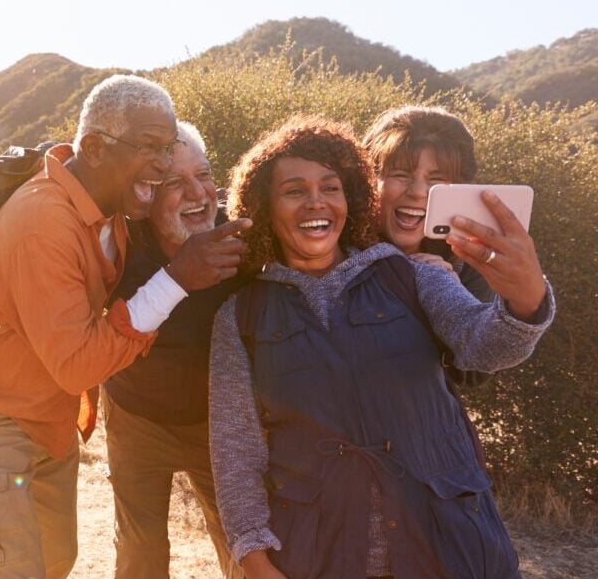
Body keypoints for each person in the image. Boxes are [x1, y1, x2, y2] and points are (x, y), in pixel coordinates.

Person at [0, 75, 252, 578]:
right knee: (10, 569)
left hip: (45, 414)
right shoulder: (43, 221)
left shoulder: (110, 211)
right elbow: (78, 365)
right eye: (151, 148)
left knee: (54, 561)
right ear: (94, 147)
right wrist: (178, 277)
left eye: (168, 148)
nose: (163, 165)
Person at [208, 117, 554, 578]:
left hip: (446, 544)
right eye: (294, 191)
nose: (316, 201)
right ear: (265, 207)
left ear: (350, 199)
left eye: (330, 187)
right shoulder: (240, 316)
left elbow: (483, 346)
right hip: (321, 552)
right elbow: (236, 454)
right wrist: (253, 557)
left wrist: (526, 298)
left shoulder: (414, 274)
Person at [102, 121, 244, 579]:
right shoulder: (119, 248)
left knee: (241, 545)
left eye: (203, 175)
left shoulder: (244, 243)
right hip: (134, 418)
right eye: (174, 183)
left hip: (216, 424)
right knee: (140, 554)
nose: (198, 193)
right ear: (145, 196)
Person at [363, 105, 493, 301]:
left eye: (436, 179)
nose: (417, 192)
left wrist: (454, 299)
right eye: (401, 174)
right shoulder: (334, 256)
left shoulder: (472, 264)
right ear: (369, 179)